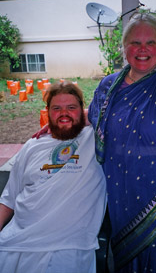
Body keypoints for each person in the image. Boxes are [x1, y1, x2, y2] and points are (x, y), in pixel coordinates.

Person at [88, 12, 156, 272]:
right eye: (135, 43)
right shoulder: (108, 87)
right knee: (130, 255)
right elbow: (93, 118)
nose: (143, 49)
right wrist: (56, 123)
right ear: (124, 47)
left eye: (150, 42)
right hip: (122, 191)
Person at [0, 82, 107, 273]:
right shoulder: (32, 145)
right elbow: (8, 199)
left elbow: (122, 108)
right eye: (56, 108)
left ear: (82, 110)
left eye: (71, 108)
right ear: (47, 111)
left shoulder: (96, 139)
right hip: (12, 244)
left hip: (68, 250)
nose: (63, 113)